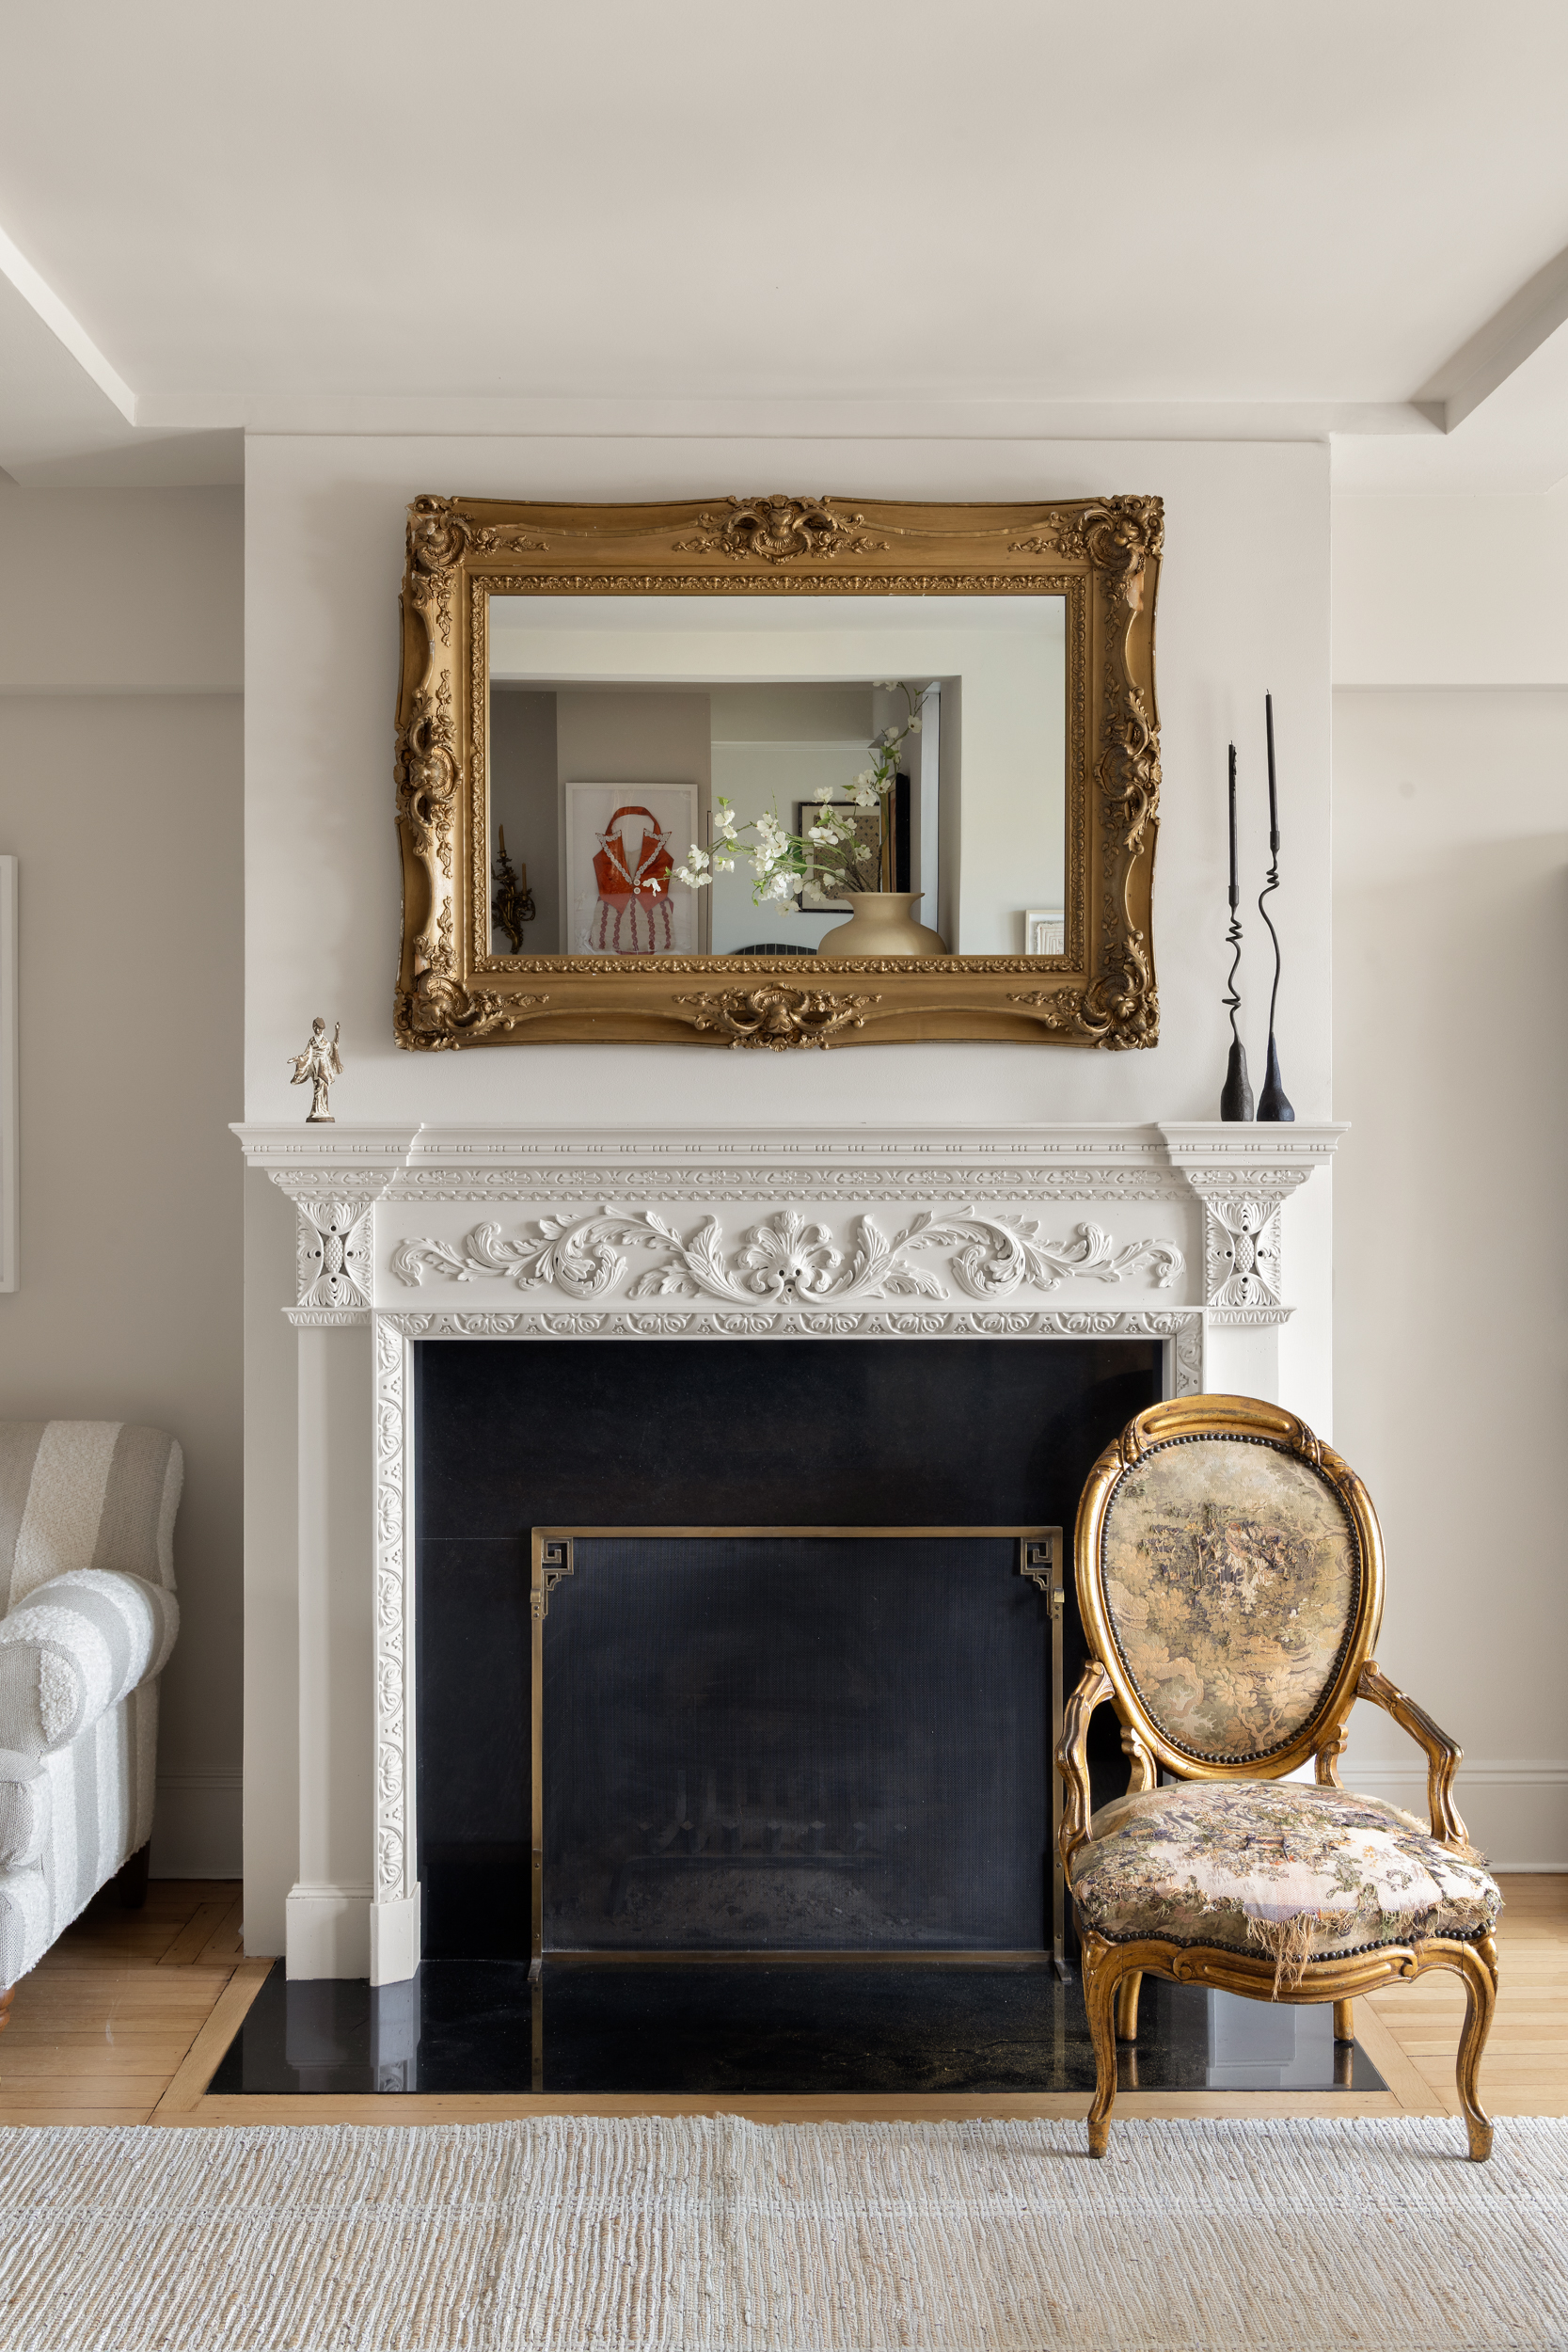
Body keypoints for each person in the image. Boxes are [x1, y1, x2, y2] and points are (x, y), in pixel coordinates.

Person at [288, 1017, 342, 1122]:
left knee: (325, 1089)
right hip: (316, 1066)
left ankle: (324, 1110)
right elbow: (306, 1055)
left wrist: (337, 1033)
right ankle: (316, 1111)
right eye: (316, 1028)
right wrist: (296, 1059)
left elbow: (334, 1046)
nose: (317, 1030)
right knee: (318, 1088)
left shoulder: (326, 1041)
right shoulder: (312, 1041)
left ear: (323, 1029)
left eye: (320, 1028)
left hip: (325, 1066)